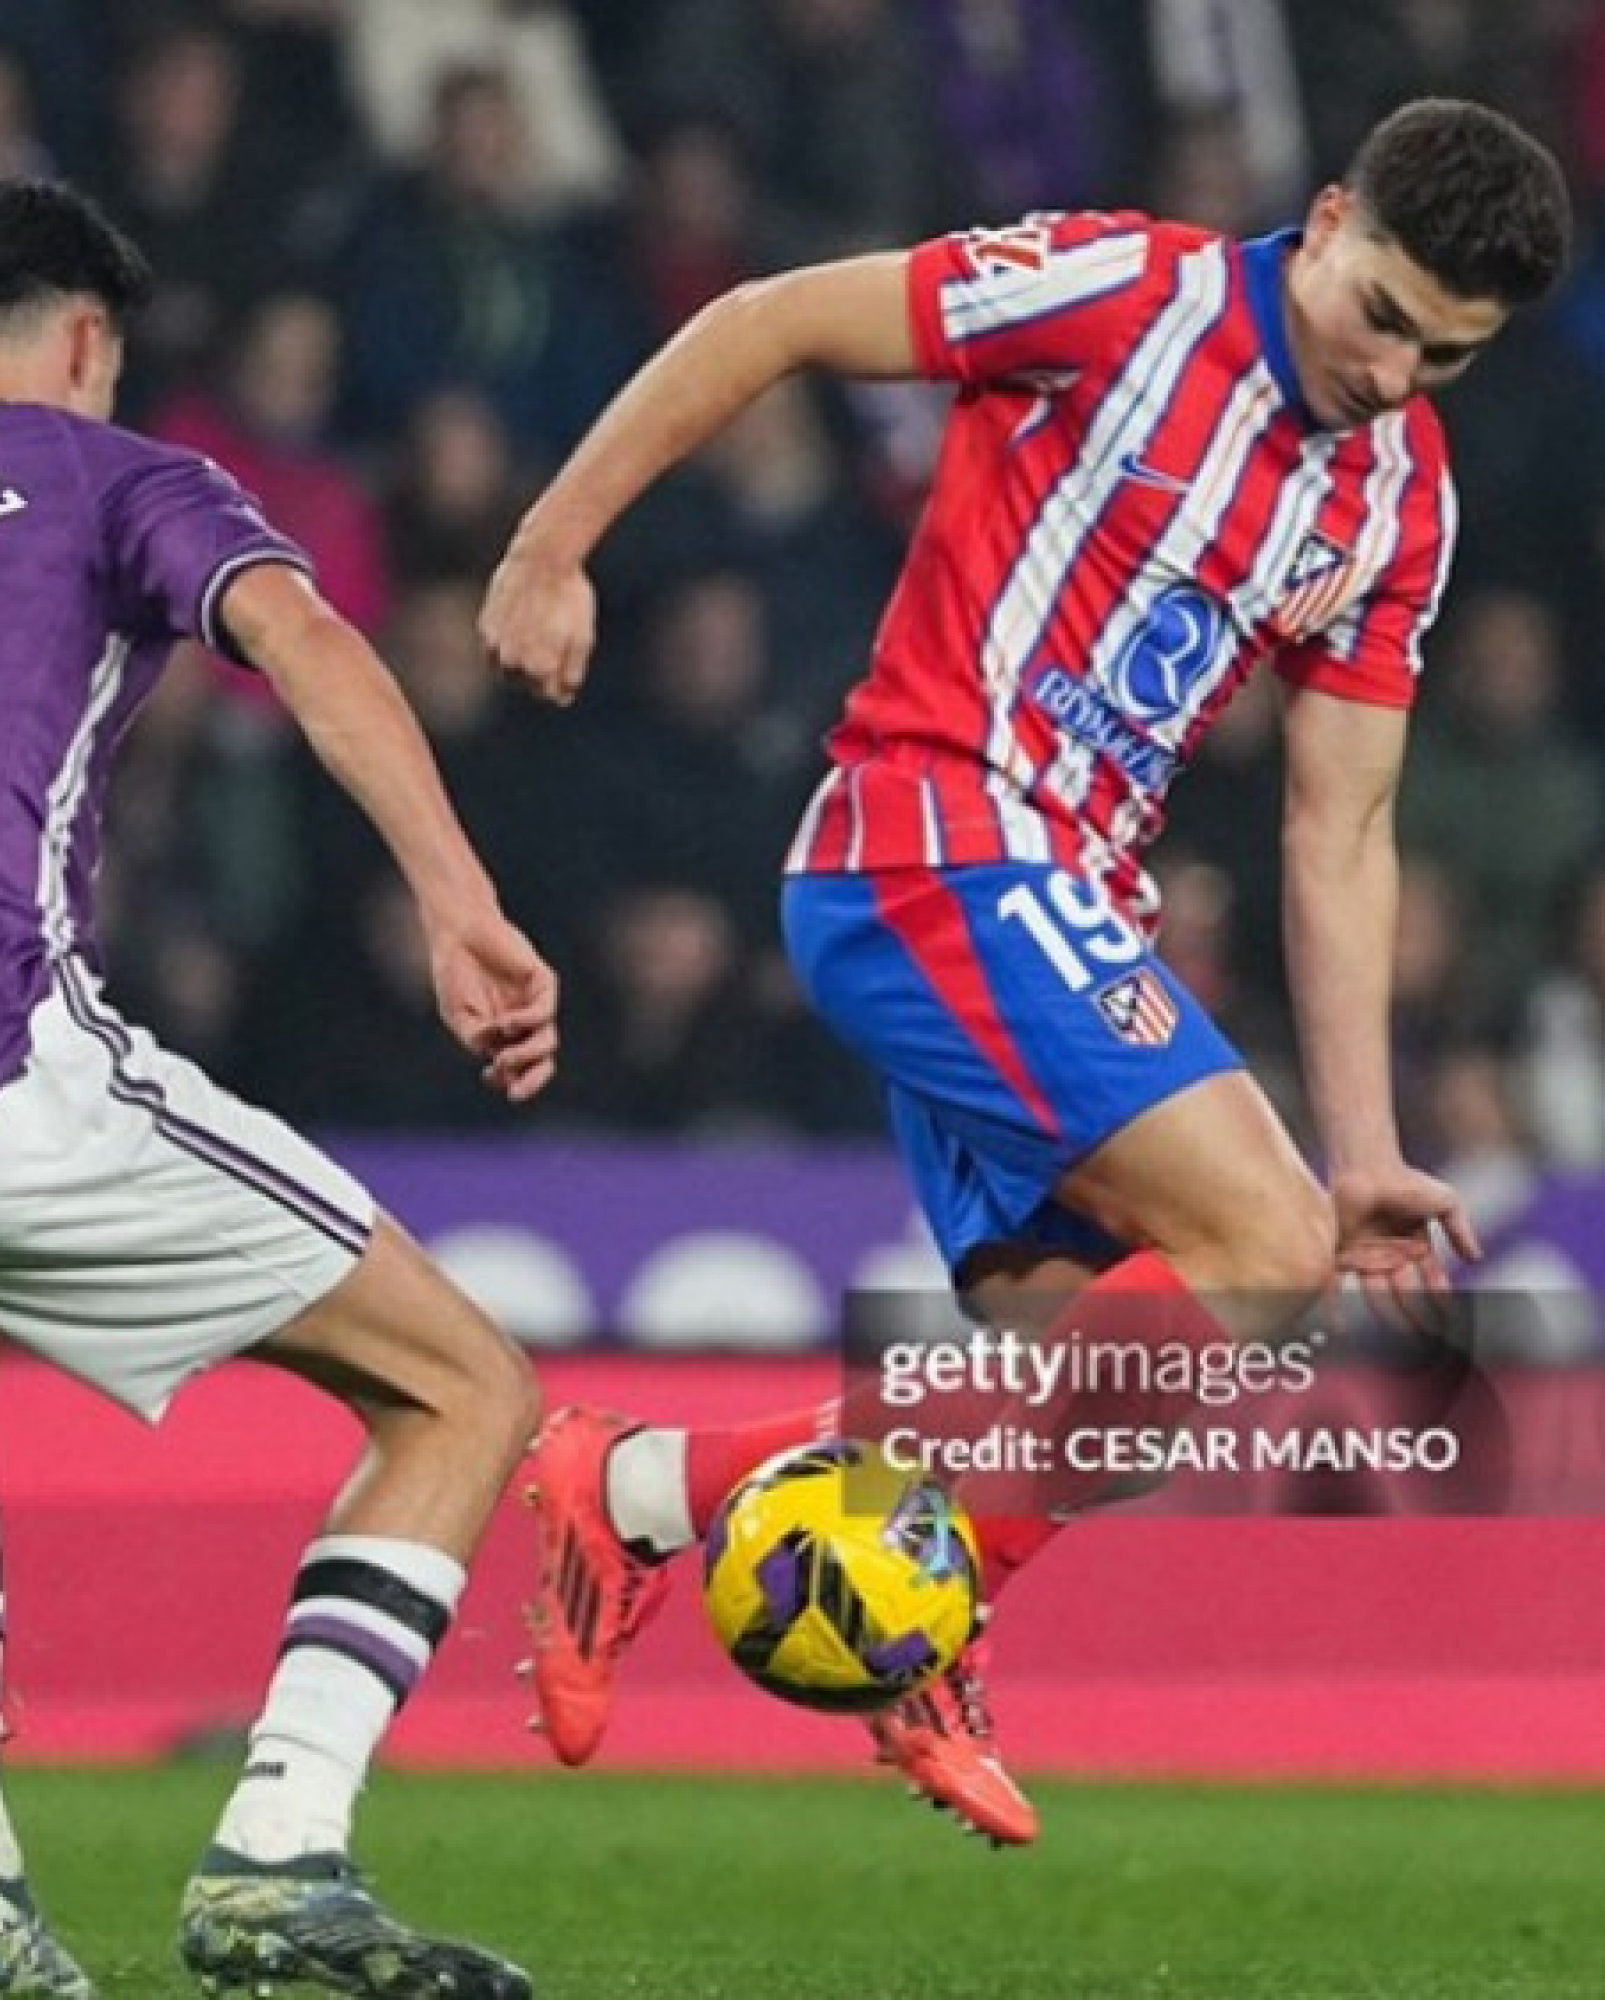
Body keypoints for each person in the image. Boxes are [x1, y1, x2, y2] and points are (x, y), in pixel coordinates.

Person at [481, 98, 1570, 1846]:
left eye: (1448, 358)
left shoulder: (1397, 503)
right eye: (1384, 315)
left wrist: (1362, 1144)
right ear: (1328, 213)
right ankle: (891, 1588)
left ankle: (644, 1491)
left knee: (1117, 1385)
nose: (1395, 375)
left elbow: (1339, 831)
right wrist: (551, 542)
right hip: (930, 839)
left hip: (1064, 900)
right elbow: (765, 320)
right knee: (1261, 1256)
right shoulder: (1119, 292)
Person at [0, 178, 554, 2000]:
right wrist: (462, 903)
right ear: (86, 344)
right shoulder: (107, 473)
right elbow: (309, 643)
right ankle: (278, 1857)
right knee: (468, 1387)